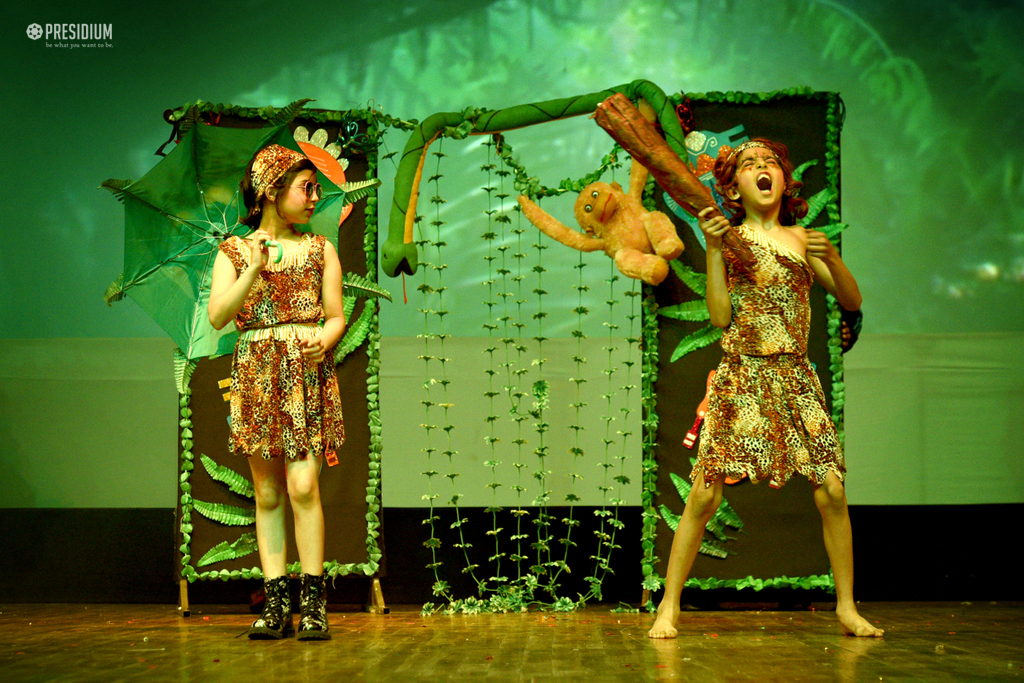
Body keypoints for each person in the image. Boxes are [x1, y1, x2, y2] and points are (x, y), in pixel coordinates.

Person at [648, 138, 882, 639]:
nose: (762, 168)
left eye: (770, 162)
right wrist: (714, 251)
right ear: (734, 187)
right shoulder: (730, 239)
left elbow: (851, 299)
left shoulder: (802, 239)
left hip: (795, 377)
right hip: (743, 375)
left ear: (783, 179)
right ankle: (668, 606)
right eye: (750, 164)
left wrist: (833, 258)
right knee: (703, 495)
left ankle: (846, 606)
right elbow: (719, 316)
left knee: (832, 491)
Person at [209, 144, 346, 640]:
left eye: (315, 188)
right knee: (267, 492)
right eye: (306, 188)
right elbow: (218, 316)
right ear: (272, 190)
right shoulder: (234, 251)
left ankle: (313, 601)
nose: (314, 197)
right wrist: (252, 267)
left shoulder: (320, 249)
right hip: (258, 374)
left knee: (303, 486)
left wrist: (323, 340)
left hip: (303, 374)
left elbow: (336, 316)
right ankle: (275, 603)